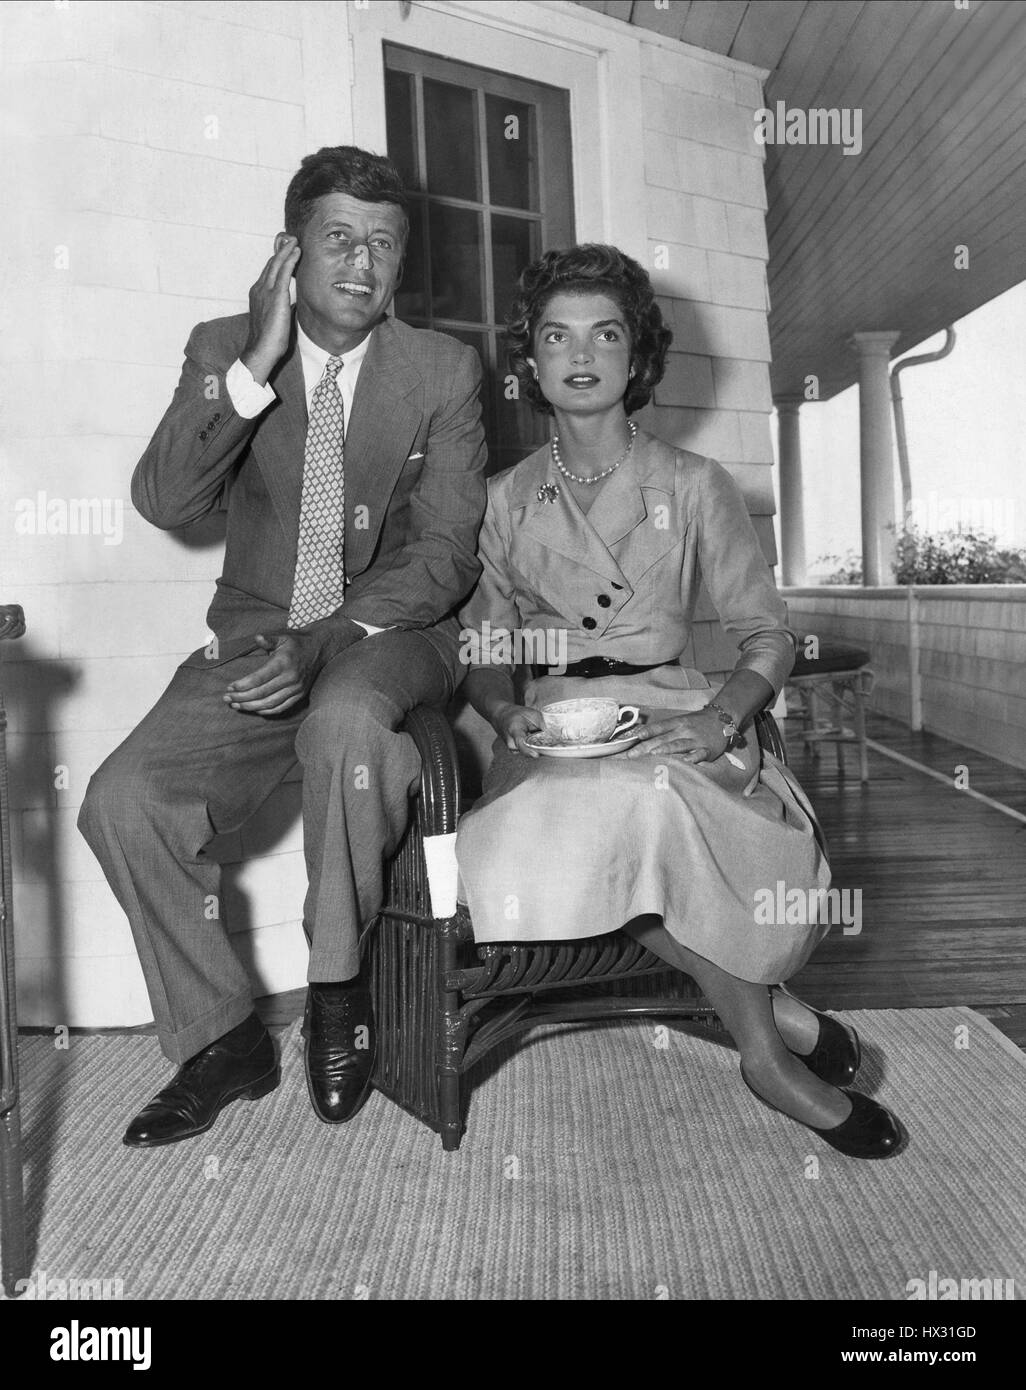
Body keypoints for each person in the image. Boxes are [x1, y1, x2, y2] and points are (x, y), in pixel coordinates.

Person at [455, 245, 903, 1160]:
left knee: (653, 803)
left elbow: (767, 635)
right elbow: (483, 648)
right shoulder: (504, 501)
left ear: (636, 358)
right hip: (549, 741)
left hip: (675, 720)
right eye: (556, 336)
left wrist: (718, 717)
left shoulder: (696, 487)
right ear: (532, 363)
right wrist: (504, 714)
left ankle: (764, 1055)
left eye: (605, 335)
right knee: (621, 815)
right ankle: (774, 1035)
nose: (581, 355)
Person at [78, 146, 487, 1146]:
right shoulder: (224, 345)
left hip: (396, 633)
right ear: (289, 252)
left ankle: (336, 990)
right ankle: (224, 1037)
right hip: (259, 638)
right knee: (122, 800)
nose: (362, 264)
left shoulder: (440, 369)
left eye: (383, 245)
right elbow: (168, 501)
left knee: (346, 721)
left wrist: (329, 638)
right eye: (338, 239)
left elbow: (444, 555)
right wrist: (255, 367)